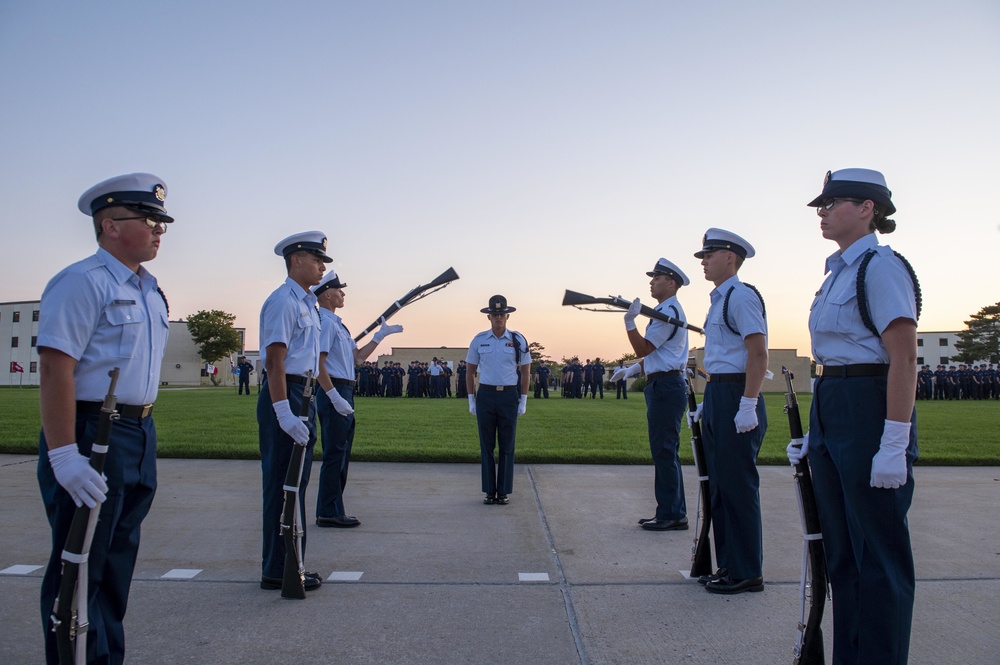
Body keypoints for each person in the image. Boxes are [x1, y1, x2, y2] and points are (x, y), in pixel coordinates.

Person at [37, 172, 173, 664]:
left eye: (162, 223)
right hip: (90, 433)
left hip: (137, 433)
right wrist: (63, 456)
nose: (159, 230)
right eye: (149, 220)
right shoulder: (82, 281)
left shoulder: (149, 290)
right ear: (111, 225)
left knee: (116, 565)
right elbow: (56, 368)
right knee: (79, 566)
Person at [787, 168, 920, 663]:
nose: (822, 212)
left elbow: (902, 356)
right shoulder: (838, 271)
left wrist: (893, 442)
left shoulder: (880, 267)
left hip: (871, 405)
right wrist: (818, 429)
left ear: (867, 209)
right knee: (841, 555)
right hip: (835, 403)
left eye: (832, 202)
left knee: (878, 558)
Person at [690, 228, 768, 595]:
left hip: (739, 392)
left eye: (709, 255)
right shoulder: (718, 299)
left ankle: (747, 570)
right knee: (719, 485)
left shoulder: (741, 296)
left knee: (737, 485)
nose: (703, 261)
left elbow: (758, 353)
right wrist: (714, 395)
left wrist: (748, 402)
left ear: (730, 257)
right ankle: (728, 565)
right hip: (722, 391)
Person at [257, 231, 330, 592]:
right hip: (285, 398)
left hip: (305, 398)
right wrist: (283, 412)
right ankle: (278, 566)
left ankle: (292, 562)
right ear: (296, 259)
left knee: (296, 484)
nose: (321, 267)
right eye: (316, 260)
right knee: (281, 484)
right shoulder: (283, 301)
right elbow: (275, 360)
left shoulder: (308, 304)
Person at [313, 270, 402, 528]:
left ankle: (333, 508)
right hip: (335, 390)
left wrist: (379, 336)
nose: (343, 294)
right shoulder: (326, 323)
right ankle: (328, 511)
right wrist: (333, 396)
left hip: (345, 390)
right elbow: (318, 365)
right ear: (327, 294)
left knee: (341, 453)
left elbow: (358, 358)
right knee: (334, 454)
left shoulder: (338, 324)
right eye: (339, 290)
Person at [620, 258, 692, 531]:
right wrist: (632, 371)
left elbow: (645, 349)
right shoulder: (664, 310)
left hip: (666, 387)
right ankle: (672, 510)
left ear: (671, 282)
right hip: (663, 384)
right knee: (666, 451)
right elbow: (657, 356)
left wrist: (629, 323)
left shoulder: (668, 312)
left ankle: (671, 514)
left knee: (664, 451)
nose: (651, 281)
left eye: (657, 277)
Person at [465, 295, 531, 505]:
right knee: (486, 445)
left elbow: (526, 372)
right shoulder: (479, 340)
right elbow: (469, 372)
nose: (498, 318)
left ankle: (503, 492)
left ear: (507, 316)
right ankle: (489, 491)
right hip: (485, 395)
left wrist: (523, 400)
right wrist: (471, 400)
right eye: (495, 314)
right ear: (489, 317)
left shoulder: (518, 340)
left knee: (507, 445)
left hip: (508, 396)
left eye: (502, 314)